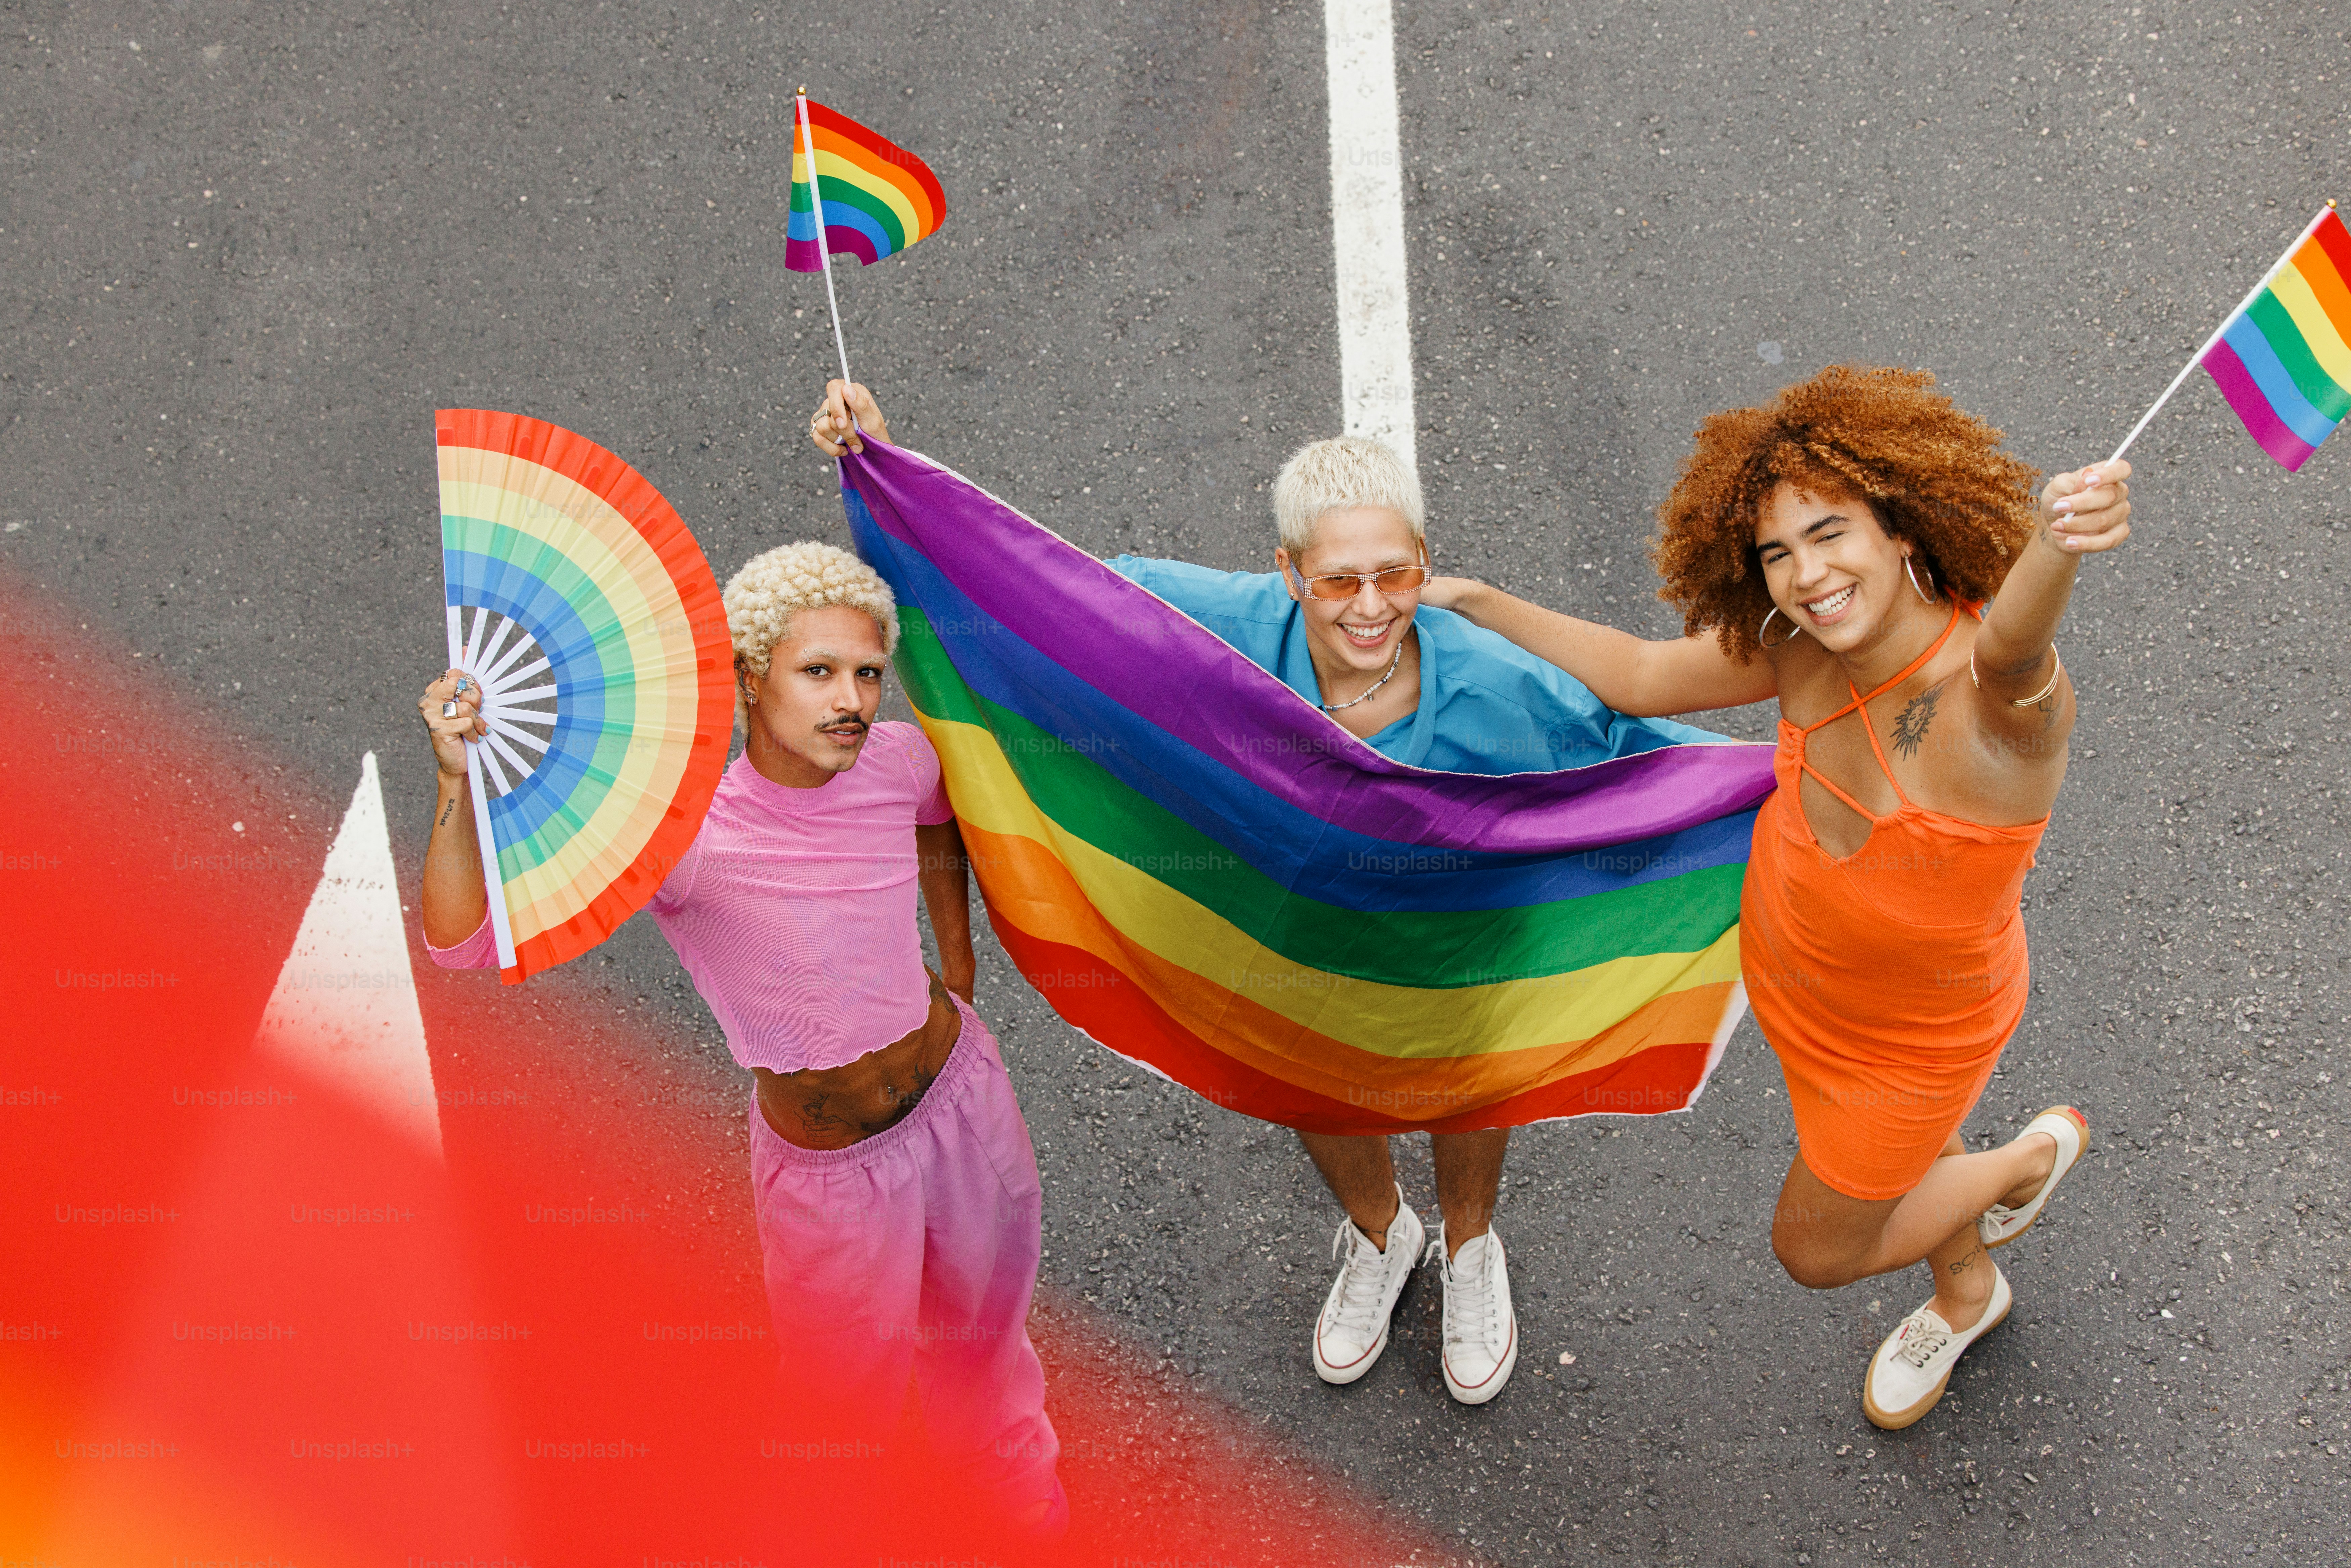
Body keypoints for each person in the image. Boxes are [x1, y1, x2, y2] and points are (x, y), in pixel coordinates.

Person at [810, 382, 1720, 1407]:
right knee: (1307, 1071)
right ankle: (1383, 1238)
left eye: (1397, 574)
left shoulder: (1505, 683)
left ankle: (1471, 1247)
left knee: (1472, 1081)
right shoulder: (1210, 628)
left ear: (1425, 560)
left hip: (1457, 940)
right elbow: (1032, 592)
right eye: (1339, 581)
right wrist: (891, 480)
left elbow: (1634, 763)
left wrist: (1789, 794)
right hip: (1295, 938)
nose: (1371, 606)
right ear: (1288, 572)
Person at [1417, 364, 2123, 1429]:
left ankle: (2026, 1159)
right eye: (1777, 553)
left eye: (1831, 533)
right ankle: (1970, 1291)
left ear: (1901, 527)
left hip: (1909, 1039)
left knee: (1819, 1246)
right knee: (1911, 1166)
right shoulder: (1800, 650)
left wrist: (2055, 546)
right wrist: (1473, 599)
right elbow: (1647, 676)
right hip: (1798, 991)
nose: (1806, 576)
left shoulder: (1991, 719)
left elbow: (2016, 655)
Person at [415, 542, 1065, 1530]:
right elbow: (462, 943)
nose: (852, 699)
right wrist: (456, 783)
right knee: (839, 1404)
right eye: (819, 673)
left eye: (866, 675)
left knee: (984, 1338)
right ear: (751, 677)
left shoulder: (895, 760)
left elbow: (940, 817)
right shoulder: (686, 842)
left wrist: (956, 955)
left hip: (964, 1105)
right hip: (831, 1176)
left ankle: (1017, 1497)